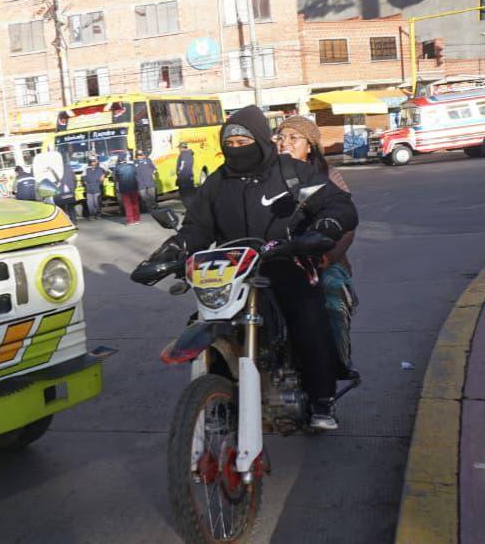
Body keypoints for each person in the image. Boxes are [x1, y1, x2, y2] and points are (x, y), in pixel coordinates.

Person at [139, 105, 358, 430]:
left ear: (259, 139)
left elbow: (337, 203)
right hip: (231, 271)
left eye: (244, 141)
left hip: (284, 261)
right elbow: (197, 228)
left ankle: (321, 400)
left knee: (309, 317)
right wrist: (172, 251)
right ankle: (217, 394)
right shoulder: (218, 182)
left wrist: (325, 226)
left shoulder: (290, 171)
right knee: (202, 319)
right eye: (232, 143)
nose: (238, 149)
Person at [276, 115, 358, 377]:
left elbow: (348, 225)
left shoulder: (328, 176)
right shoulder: (269, 176)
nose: (284, 143)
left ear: (310, 146)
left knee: (330, 293)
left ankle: (335, 366)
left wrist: (329, 256)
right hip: (277, 259)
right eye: (280, 137)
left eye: (293, 138)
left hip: (320, 260)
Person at [111, 154, 141, 225]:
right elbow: (136, 174)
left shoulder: (117, 168)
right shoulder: (132, 166)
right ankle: (137, 219)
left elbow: (115, 178)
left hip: (124, 188)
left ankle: (130, 220)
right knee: (135, 203)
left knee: (128, 205)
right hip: (134, 186)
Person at [82, 156, 107, 221]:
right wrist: (85, 182)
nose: (92, 162)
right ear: (89, 162)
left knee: (97, 203)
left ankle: (98, 215)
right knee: (90, 204)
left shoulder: (101, 168)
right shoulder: (86, 169)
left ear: (96, 162)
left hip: (97, 188)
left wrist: (103, 175)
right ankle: (92, 215)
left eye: (94, 161)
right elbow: (83, 177)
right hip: (89, 189)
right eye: (91, 161)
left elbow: (107, 172)